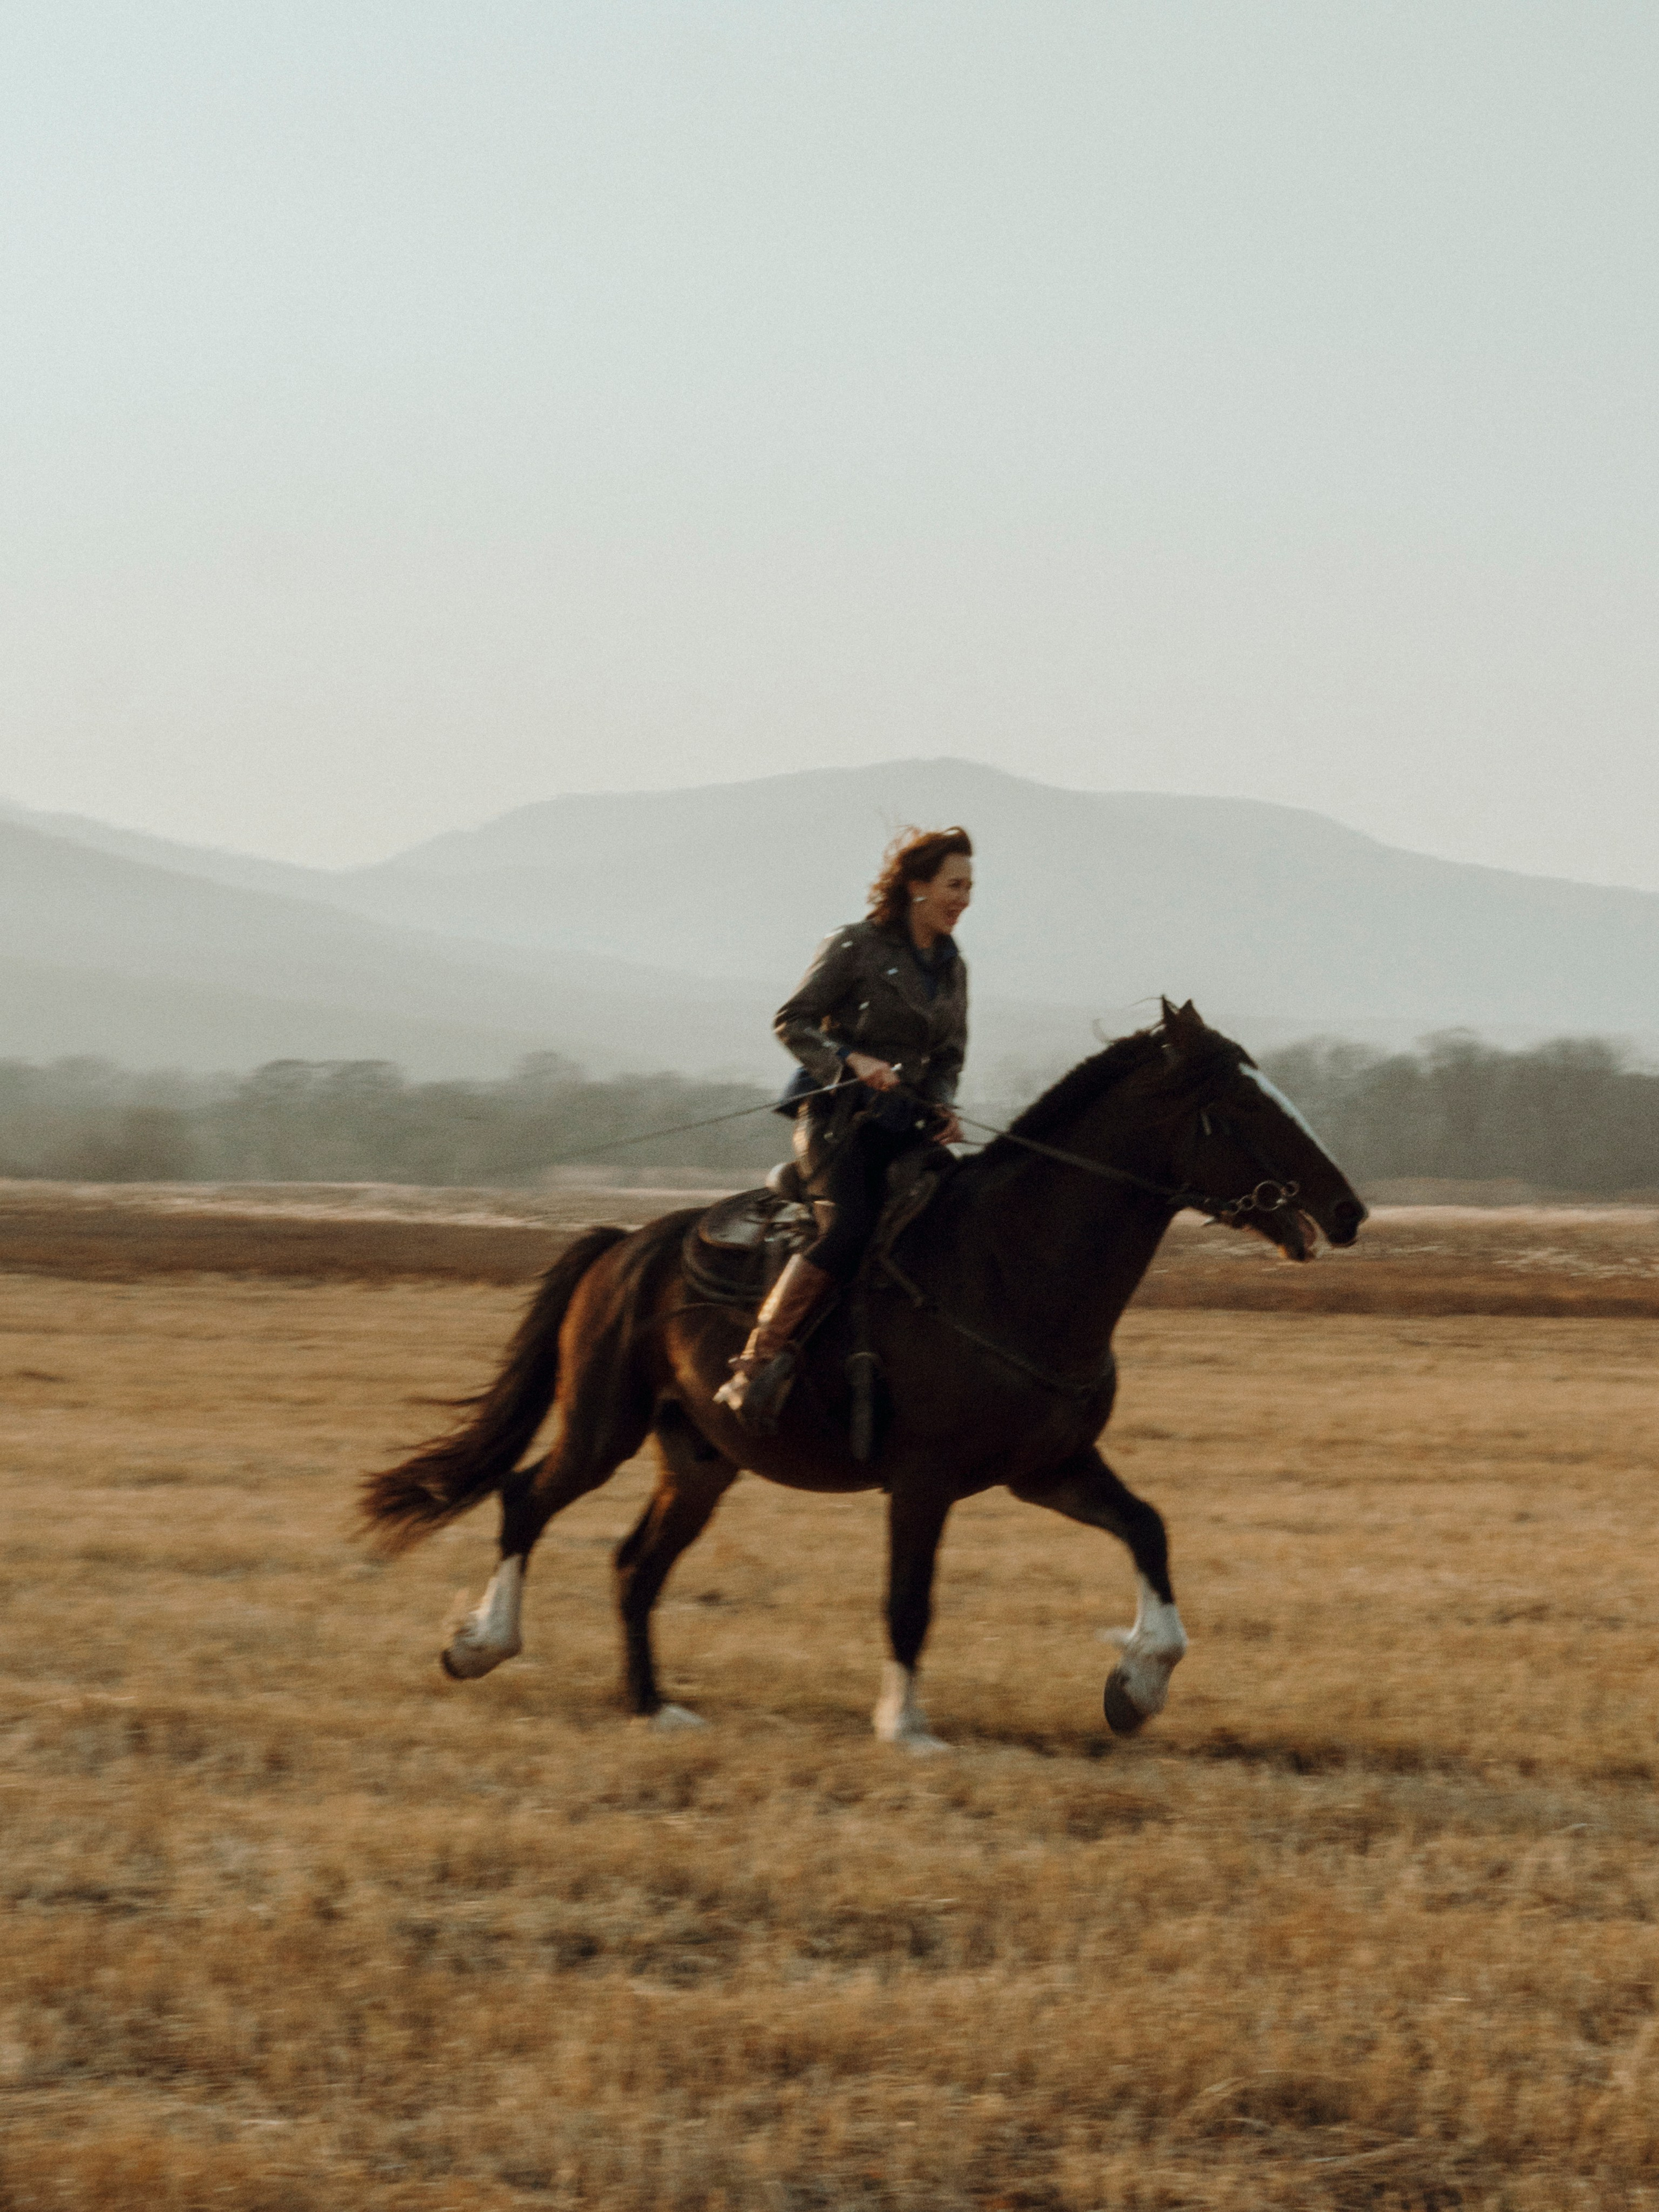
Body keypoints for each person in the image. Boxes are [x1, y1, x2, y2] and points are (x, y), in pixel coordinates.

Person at [713, 826, 972, 1427]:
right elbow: (793, 1021)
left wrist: (943, 1104)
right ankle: (754, 1365)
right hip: (835, 1121)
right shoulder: (855, 945)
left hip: (907, 1126)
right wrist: (851, 1061)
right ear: (917, 887)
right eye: (953, 885)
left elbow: (950, 1055)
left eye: (969, 887)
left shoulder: (954, 968)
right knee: (850, 1225)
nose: (964, 898)